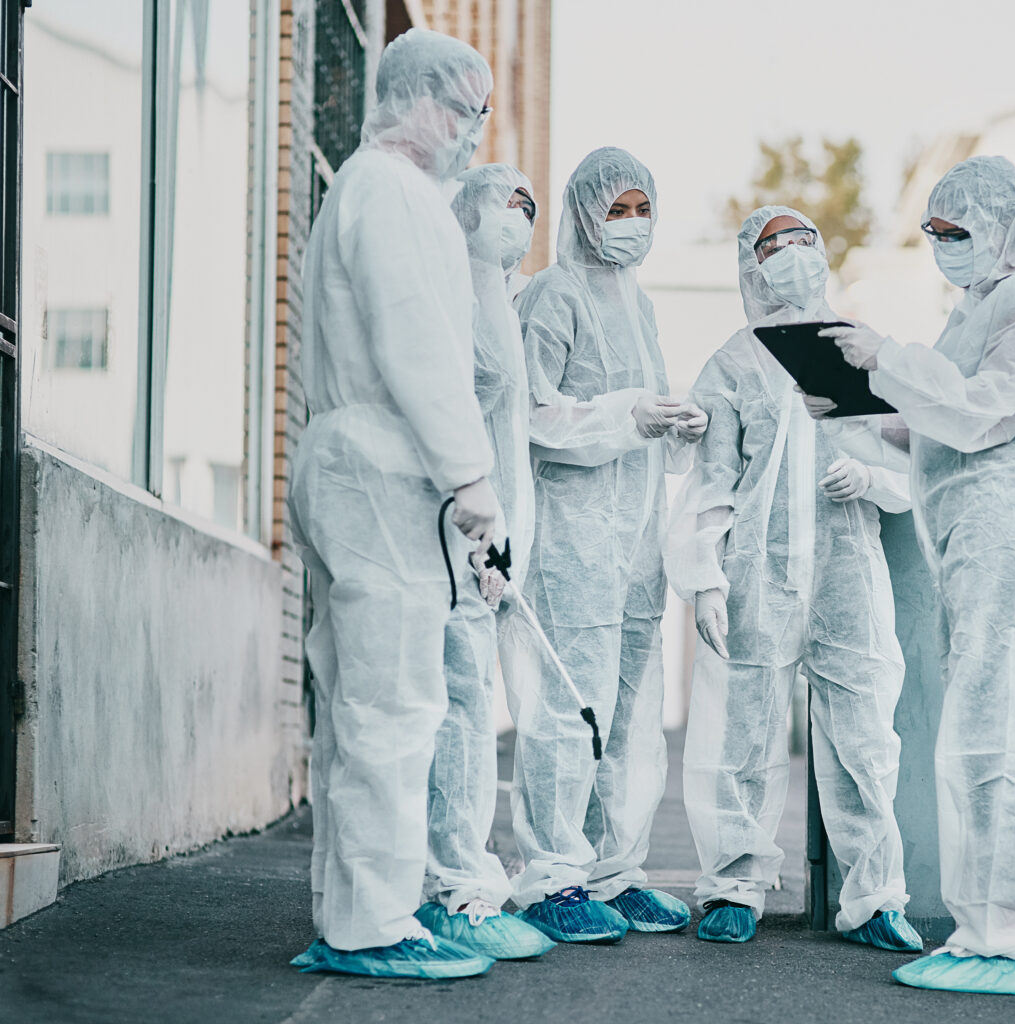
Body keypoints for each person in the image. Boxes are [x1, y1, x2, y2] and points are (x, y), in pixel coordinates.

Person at [807, 156, 1015, 996]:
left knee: (991, 729)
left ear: (1005, 224)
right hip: (986, 532)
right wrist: (855, 401)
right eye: (933, 231)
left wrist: (886, 357)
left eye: (958, 229)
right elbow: (938, 421)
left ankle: (991, 936)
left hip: (1014, 528)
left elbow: (983, 412)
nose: (943, 243)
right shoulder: (974, 312)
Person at [286, 29, 512, 978]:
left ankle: (350, 911)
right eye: (462, 110)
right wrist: (471, 478)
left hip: (350, 463)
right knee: (394, 708)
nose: (470, 132)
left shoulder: (362, 190)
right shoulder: (393, 193)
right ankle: (372, 926)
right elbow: (417, 344)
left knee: (357, 710)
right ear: (414, 98)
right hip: (382, 471)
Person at [665, 206, 922, 950]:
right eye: (775, 244)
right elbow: (713, 478)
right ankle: (733, 887)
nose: (795, 253)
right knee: (742, 736)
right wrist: (704, 577)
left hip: (846, 571)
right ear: (752, 263)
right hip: (758, 573)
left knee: (865, 740)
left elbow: (912, 459)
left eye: (804, 239)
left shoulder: (852, 347)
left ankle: (875, 898)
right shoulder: (734, 363)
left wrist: (871, 476)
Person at [506, 147, 707, 942]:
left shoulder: (640, 304)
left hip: (635, 542)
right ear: (583, 214)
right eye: (615, 210)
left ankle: (613, 872)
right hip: (573, 539)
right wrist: (628, 414)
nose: (630, 225)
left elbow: (641, 422)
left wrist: (677, 425)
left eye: (641, 210)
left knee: (628, 713)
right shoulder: (552, 295)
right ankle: (551, 877)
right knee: (567, 707)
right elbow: (532, 415)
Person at [412, 165, 558, 962]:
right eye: (508, 201)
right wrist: (472, 531)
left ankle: (463, 878)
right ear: (465, 207)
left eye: (531, 207)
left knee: (471, 710)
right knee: (456, 711)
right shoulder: (451, 292)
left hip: (490, 543)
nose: (521, 217)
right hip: (455, 537)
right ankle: (452, 889)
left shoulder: (499, 296)